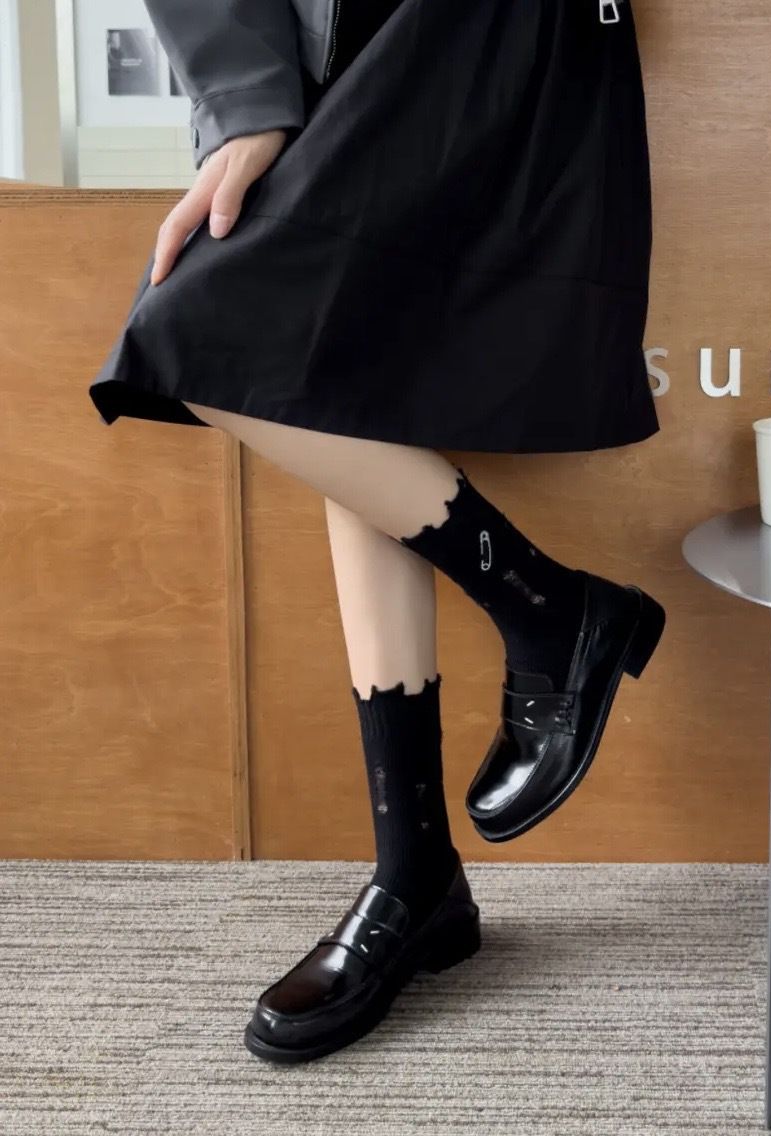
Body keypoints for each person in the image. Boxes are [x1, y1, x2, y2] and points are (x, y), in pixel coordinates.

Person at [86, 0, 665, 1063]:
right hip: (325, 37)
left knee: (264, 354)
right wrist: (243, 99)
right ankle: (424, 857)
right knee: (296, 368)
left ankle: (544, 637)